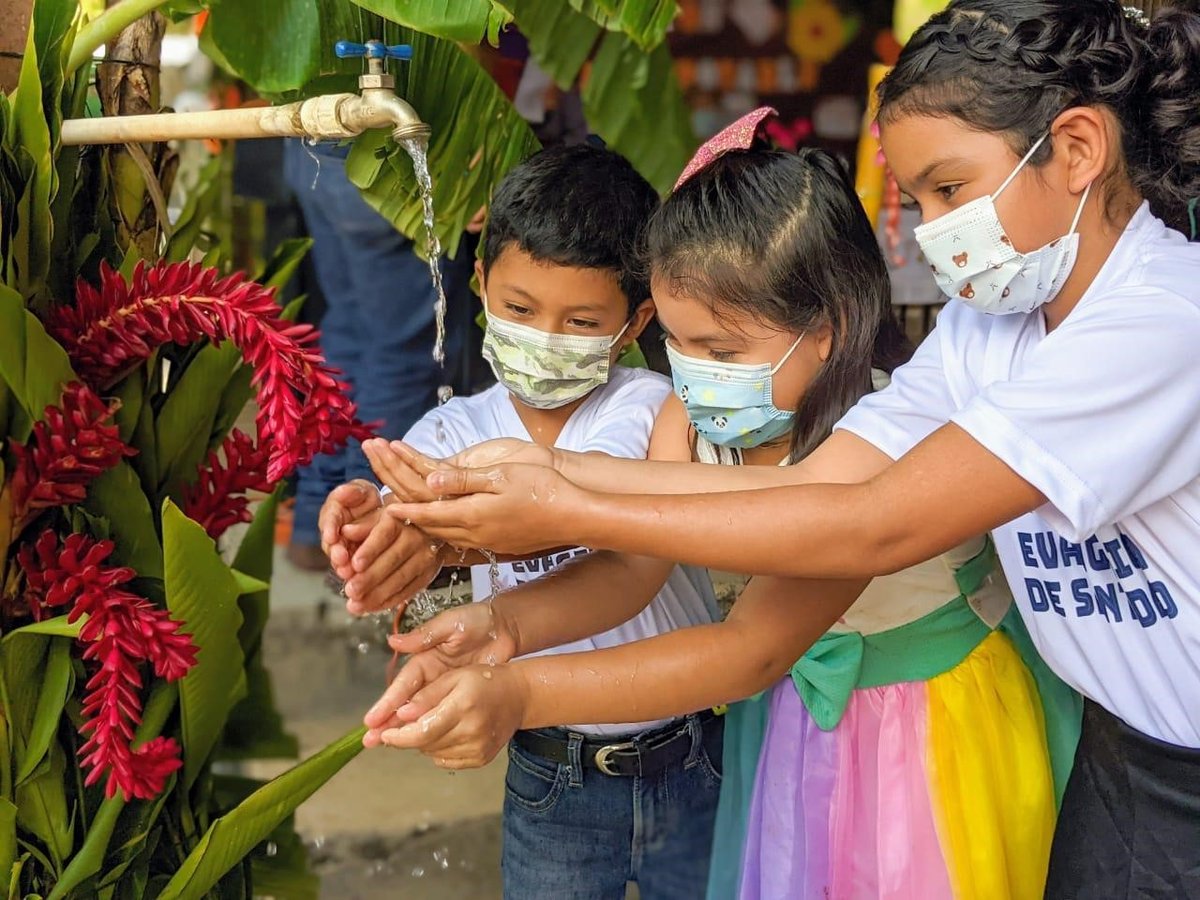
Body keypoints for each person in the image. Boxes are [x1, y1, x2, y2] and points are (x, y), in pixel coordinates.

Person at [364, 2, 1200, 895]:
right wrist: (539, 475)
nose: (930, 230)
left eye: (949, 191)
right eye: (918, 199)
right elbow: (829, 484)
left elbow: (869, 527)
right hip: (1127, 749)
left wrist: (562, 506)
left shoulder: (1159, 324)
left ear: (1076, 149)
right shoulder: (990, 329)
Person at [359, 142, 725, 900]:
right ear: (480, 282)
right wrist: (375, 529)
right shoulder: (447, 433)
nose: (546, 337)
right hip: (547, 771)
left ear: (633, 324)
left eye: (582, 319)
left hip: (692, 759)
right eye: (520, 310)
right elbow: (411, 544)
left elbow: (617, 528)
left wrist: (451, 520)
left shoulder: (651, 407)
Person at [281, 138, 475, 569]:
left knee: (350, 330)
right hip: (390, 154)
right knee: (400, 353)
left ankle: (319, 515)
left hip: (318, 144)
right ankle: (369, 537)